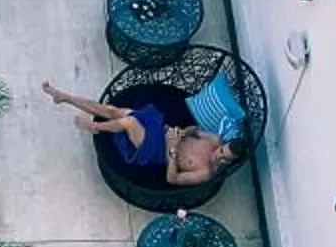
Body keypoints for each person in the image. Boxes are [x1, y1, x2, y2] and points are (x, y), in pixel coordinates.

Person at [42, 79, 235, 187]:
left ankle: (96, 128)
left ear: (229, 163)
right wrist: (182, 132)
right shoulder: (214, 140)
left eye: (223, 158)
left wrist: (174, 151)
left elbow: (172, 179)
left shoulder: (205, 172)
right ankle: (64, 97)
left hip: (156, 152)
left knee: (129, 121)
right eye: (221, 151)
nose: (217, 154)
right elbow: (194, 130)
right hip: (163, 131)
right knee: (112, 111)